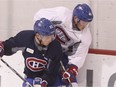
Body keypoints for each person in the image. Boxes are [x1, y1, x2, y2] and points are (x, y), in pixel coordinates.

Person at [34, 3, 93, 86]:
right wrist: (45, 35)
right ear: (76, 18)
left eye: (87, 23)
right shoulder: (61, 14)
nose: (85, 25)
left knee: (72, 83)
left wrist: (72, 68)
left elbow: (79, 56)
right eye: (83, 22)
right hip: (46, 49)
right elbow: (38, 16)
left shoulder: (86, 36)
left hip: (62, 56)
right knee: (40, 76)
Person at [0, 18, 68, 87]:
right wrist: (2, 48)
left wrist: (45, 82)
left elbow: (52, 72)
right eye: (47, 38)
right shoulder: (24, 38)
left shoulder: (55, 47)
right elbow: (9, 46)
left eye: (51, 37)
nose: (50, 40)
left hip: (48, 77)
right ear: (38, 36)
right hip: (31, 76)